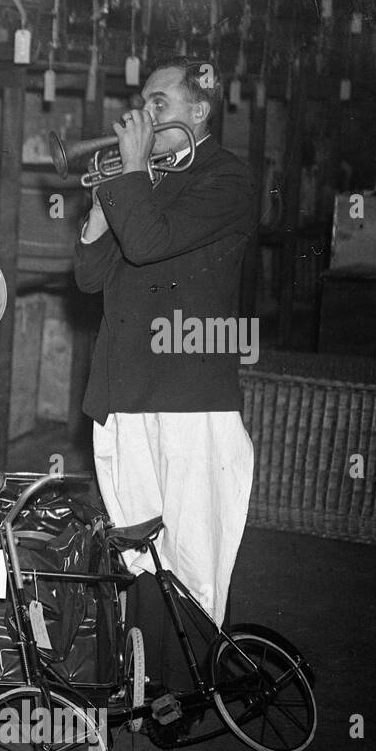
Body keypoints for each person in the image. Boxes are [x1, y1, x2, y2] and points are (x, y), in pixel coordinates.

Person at [74, 59, 257, 676]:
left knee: (193, 545)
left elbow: (151, 244)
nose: (143, 116)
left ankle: (200, 678)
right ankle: (148, 677)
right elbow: (91, 277)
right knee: (137, 549)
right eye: (143, 103)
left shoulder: (229, 179)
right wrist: (100, 218)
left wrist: (128, 178)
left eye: (158, 104)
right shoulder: (141, 178)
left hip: (187, 390)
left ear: (199, 111)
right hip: (124, 387)